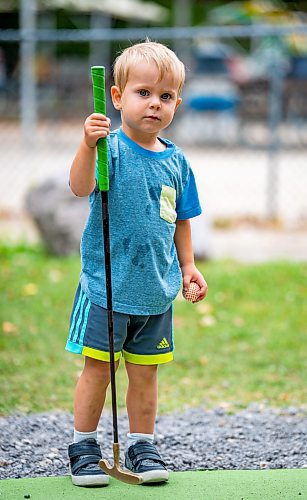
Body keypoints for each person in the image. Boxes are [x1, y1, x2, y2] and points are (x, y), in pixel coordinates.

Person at [66, 40, 208, 487]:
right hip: (106, 287)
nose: (154, 104)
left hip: (155, 290)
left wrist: (187, 266)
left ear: (177, 104)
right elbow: (78, 186)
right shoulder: (109, 149)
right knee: (99, 370)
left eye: (165, 97)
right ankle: (85, 445)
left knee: (145, 374)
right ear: (117, 97)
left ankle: (142, 443)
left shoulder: (177, 161)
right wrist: (88, 145)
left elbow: (181, 220)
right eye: (143, 92)